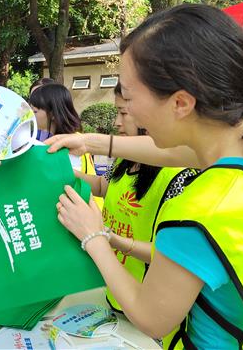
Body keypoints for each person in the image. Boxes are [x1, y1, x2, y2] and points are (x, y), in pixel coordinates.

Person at [47, 4, 243, 348]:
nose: (127, 109)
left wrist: (94, 237)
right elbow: (172, 152)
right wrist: (88, 141)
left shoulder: (198, 212)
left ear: (181, 103)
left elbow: (151, 317)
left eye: (130, 97)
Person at [75, 82, 198, 312]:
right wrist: (61, 173)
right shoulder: (125, 159)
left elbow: (172, 255)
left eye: (124, 113)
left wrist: (113, 241)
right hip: (112, 289)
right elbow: (103, 186)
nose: (117, 123)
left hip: (146, 302)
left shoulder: (179, 176)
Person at [28, 83, 104, 208]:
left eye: (34, 111)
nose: (30, 115)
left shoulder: (72, 146)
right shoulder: (44, 140)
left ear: (52, 114)